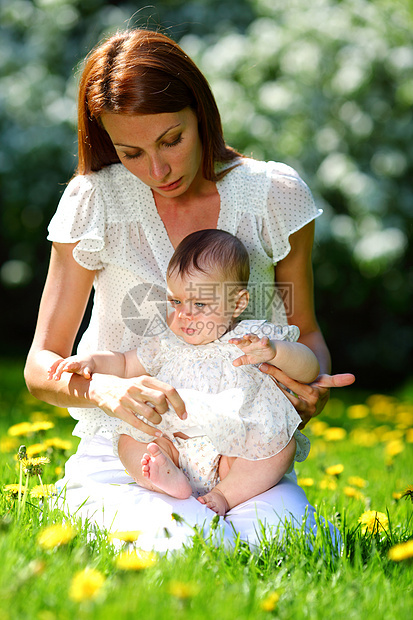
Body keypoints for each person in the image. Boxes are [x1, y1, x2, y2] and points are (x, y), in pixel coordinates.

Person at [24, 28, 354, 549]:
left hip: (240, 460)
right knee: (181, 544)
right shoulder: (94, 201)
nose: (157, 170)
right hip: (133, 453)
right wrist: (108, 391)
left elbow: (306, 332)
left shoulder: (273, 195)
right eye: (130, 152)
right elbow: (41, 366)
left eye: (171, 141)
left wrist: (308, 391)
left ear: (200, 113)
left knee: (290, 546)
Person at [48, 230, 320, 516]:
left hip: (234, 450)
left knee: (280, 447)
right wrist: (91, 361)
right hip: (174, 444)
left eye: (200, 304)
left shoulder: (254, 337)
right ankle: (163, 478)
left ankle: (225, 495)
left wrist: (277, 352)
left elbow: (309, 368)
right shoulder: (167, 343)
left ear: (238, 303)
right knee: (130, 439)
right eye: (176, 302)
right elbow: (124, 363)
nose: (185, 315)